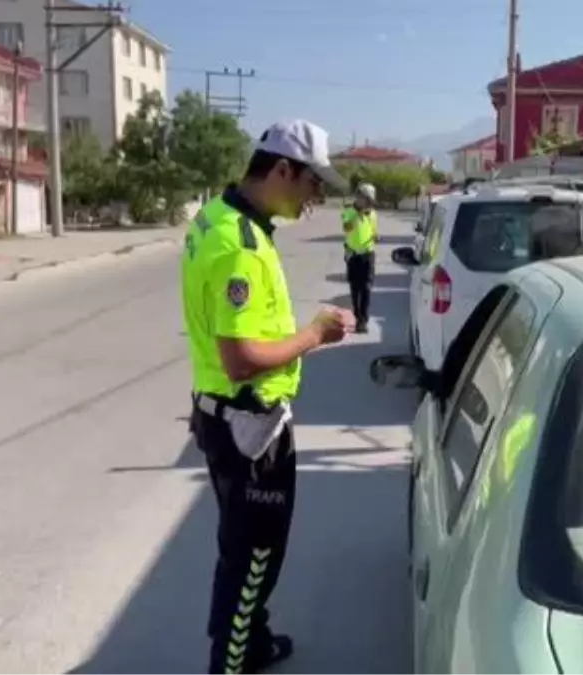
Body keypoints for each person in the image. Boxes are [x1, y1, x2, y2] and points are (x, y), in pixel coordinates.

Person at [180, 119, 354, 675]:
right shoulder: (243, 248)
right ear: (282, 169)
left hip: (223, 415)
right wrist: (315, 336)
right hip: (251, 429)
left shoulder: (216, 219)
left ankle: (248, 642)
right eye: (312, 183)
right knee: (254, 558)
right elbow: (241, 358)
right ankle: (231, 662)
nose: (315, 197)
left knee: (240, 550)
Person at [341, 183, 378, 333]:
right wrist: (358, 215)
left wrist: (375, 236)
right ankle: (357, 315)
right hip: (353, 254)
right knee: (355, 288)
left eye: (371, 200)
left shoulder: (373, 214)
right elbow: (346, 228)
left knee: (367, 288)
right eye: (366, 199)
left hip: (368, 254)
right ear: (359, 197)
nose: (369, 203)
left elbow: (374, 231)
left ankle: (363, 320)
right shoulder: (349, 212)